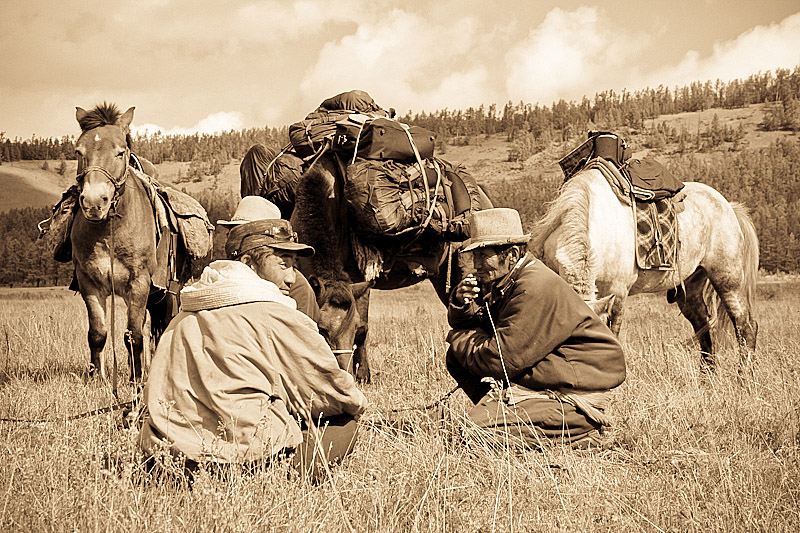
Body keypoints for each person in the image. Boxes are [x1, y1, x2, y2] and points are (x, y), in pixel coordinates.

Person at [139, 218, 367, 480]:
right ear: (248, 263)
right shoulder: (275, 315)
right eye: (283, 263)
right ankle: (278, 480)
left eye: (294, 266)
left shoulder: (184, 313)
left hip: (167, 457)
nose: (292, 278)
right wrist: (357, 402)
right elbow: (334, 394)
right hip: (238, 460)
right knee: (345, 424)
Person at [446, 208, 626, 449]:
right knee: (457, 359)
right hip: (548, 381)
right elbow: (485, 332)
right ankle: (504, 413)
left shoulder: (533, 286)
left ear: (511, 254)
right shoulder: (506, 280)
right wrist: (463, 304)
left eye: (483, 256)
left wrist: (458, 336)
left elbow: (498, 361)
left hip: (573, 395)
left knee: (473, 434)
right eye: (474, 255)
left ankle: (583, 430)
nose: (476, 265)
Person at [218, 196, 320, 322]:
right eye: (231, 233)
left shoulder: (294, 286)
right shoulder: (221, 278)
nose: (234, 239)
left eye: (244, 233)